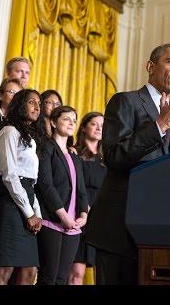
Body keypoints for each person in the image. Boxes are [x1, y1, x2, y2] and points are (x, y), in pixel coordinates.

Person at [86, 43, 170, 285]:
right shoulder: (126, 101)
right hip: (120, 230)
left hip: (158, 231)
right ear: (150, 66)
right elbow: (114, 156)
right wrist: (160, 126)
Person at [0, 89, 43, 285]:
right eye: (31, 102)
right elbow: (11, 175)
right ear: (20, 105)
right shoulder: (9, 132)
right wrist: (29, 213)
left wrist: (36, 212)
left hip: (26, 196)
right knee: (5, 268)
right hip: (9, 201)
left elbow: (31, 181)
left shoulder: (30, 139)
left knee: (29, 271)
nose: (37, 107)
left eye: (39, 103)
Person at [35, 105, 88, 285]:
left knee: (62, 278)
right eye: (66, 119)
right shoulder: (46, 147)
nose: (71, 123)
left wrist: (83, 215)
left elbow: (81, 189)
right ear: (53, 122)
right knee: (48, 277)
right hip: (52, 220)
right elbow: (46, 184)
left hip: (74, 225)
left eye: (74, 120)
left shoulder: (74, 156)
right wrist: (63, 215)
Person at [67, 111, 106, 285]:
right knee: (77, 272)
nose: (99, 128)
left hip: (101, 217)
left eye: (102, 125)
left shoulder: (108, 157)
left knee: (102, 272)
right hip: (80, 213)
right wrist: (85, 208)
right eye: (94, 124)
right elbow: (72, 186)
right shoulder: (74, 152)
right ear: (83, 127)